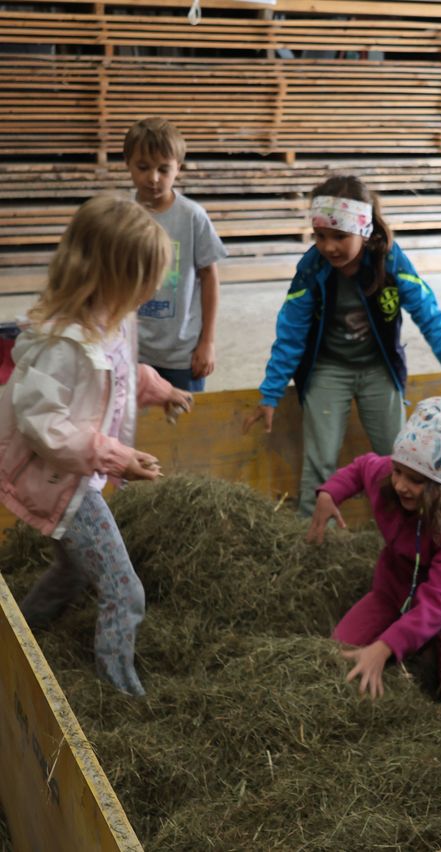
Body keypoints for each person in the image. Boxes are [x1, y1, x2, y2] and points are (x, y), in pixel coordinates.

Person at [0, 195, 194, 696]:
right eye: (144, 277)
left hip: (81, 473)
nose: (151, 288)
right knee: (124, 590)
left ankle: (21, 633)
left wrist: (159, 389)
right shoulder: (61, 344)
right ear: (111, 274)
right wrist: (116, 457)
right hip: (63, 481)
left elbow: (120, 376)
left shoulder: (114, 317)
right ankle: (121, 691)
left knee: (71, 569)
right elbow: (44, 426)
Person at [244, 174, 441, 514]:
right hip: (328, 368)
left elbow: (429, 315)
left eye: (340, 236)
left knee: (399, 455)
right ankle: (310, 533)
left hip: (379, 369)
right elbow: (290, 331)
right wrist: (271, 392)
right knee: (319, 458)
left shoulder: (391, 262)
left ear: (364, 231)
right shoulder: (312, 269)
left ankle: (398, 528)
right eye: (319, 236)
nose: (328, 246)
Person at [307, 397, 441, 706]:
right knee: (339, 652)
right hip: (392, 592)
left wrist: (383, 648)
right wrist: (330, 492)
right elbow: (360, 468)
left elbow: (438, 601)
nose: (400, 485)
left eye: (416, 481)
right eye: (398, 472)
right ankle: (411, 641)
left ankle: (421, 643)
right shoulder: (392, 475)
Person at [123, 117, 227, 392]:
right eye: (143, 167)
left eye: (163, 169)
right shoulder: (120, 217)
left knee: (184, 425)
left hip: (182, 353)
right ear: (127, 164)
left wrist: (207, 342)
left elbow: (210, 278)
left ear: (177, 168)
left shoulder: (192, 216)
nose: (153, 178)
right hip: (131, 348)